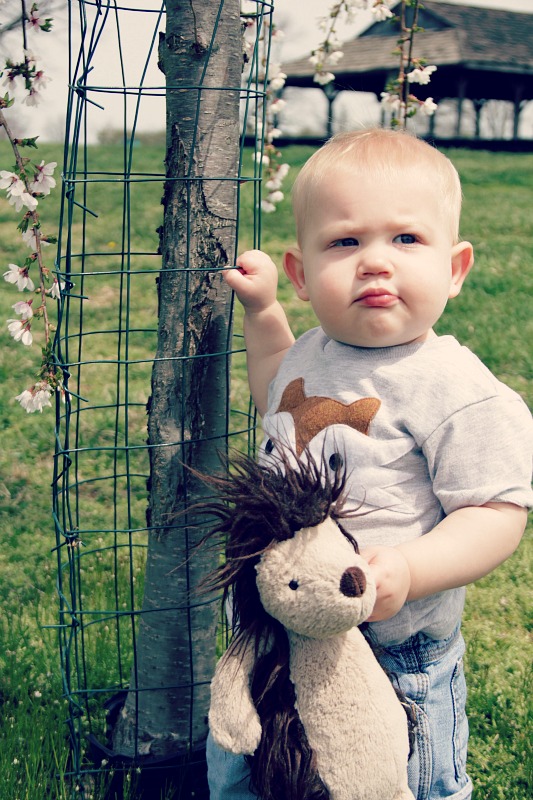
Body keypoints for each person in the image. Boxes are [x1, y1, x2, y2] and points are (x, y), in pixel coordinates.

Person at [207, 128, 533, 800]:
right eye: (345, 242)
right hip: (279, 637)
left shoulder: (453, 387)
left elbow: (495, 512)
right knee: (262, 767)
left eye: (406, 240)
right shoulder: (308, 354)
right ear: (302, 273)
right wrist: (264, 311)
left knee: (395, 780)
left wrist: (410, 572)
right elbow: (273, 385)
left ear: (455, 267)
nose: (374, 262)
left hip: (392, 650)